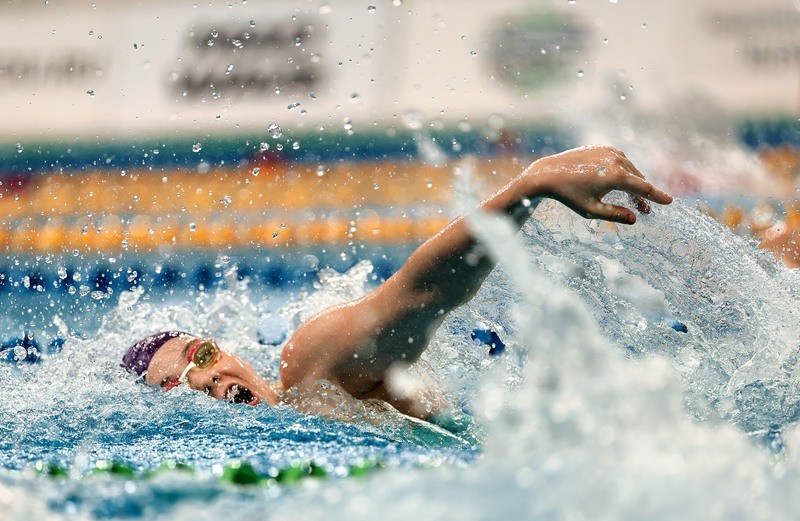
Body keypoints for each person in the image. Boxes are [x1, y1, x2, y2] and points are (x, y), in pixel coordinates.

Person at [121, 145, 673, 421]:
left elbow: (421, 294)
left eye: (201, 355)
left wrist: (527, 189)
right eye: (173, 387)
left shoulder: (310, 369)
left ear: (231, 351)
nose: (203, 380)